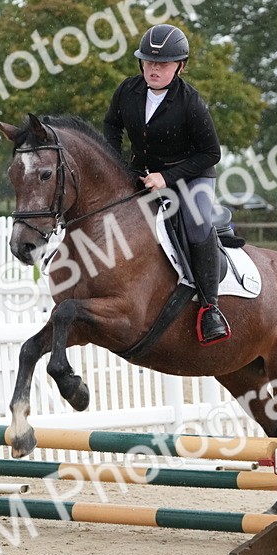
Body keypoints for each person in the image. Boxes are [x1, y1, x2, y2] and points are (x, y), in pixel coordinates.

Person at [103, 23, 229, 345]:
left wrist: (167, 178)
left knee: (198, 228)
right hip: (142, 174)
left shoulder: (190, 102)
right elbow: (112, 126)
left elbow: (210, 153)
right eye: (148, 61)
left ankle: (209, 308)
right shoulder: (127, 91)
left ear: (180, 66)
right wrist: (115, 165)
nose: (153, 68)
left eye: (162, 63)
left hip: (191, 177)